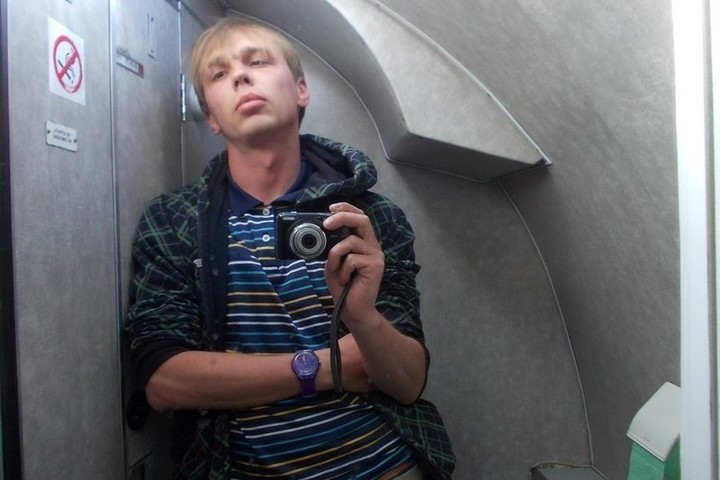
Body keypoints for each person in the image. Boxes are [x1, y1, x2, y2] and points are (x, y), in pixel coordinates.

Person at [125, 17, 455, 480]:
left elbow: (407, 383)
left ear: (301, 90)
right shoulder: (174, 221)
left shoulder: (368, 217)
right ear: (212, 118)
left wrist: (362, 318)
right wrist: (328, 366)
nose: (240, 76)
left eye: (257, 62)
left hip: (384, 465)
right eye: (219, 74)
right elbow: (165, 381)